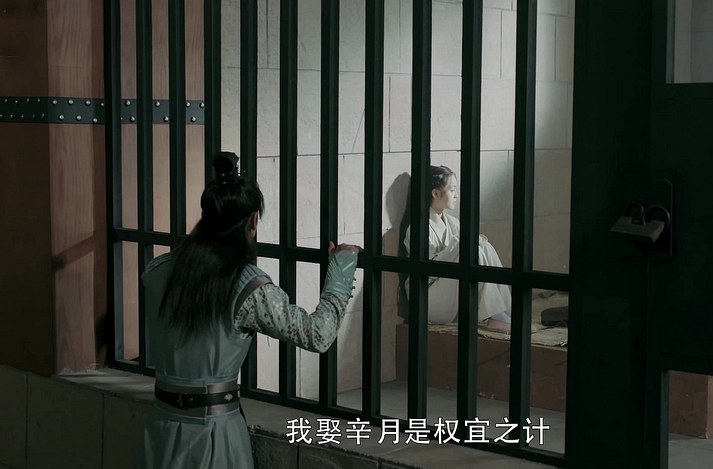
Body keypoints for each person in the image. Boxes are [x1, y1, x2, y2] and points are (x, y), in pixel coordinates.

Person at [136, 152, 361, 469]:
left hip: (160, 431)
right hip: (215, 436)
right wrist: (341, 270)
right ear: (253, 220)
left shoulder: (156, 271)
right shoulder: (248, 288)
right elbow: (318, 334)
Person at [403, 165, 523, 333]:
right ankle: (495, 317)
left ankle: (505, 312)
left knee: (485, 247)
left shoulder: (453, 223)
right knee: (471, 252)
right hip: (428, 298)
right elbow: (428, 271)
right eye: (452, 190)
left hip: (450, 294)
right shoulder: (418, 228)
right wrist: (457, 247)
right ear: (435, 193)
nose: (456, 195)